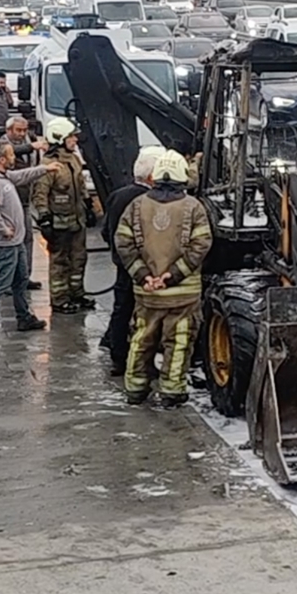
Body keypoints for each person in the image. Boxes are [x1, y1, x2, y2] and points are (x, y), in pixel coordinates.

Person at [113, 150, 213, 407]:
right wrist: (172, 276)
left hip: (147, 293)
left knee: (141, 338)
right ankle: (172, 391)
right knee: (178, 342)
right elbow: (201, 245)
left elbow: (122, 242)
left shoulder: (136, 206)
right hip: (183, 295)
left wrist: (144, 276)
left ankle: (135, 388)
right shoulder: (194, 208)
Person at [0, 139, 59, 340]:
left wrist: (44, 169)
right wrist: (2, 229)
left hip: (16, 241)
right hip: (5, 242)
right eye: (11, 155)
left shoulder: (4, 175)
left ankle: (24, 316)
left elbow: (21, 176)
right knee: (1, 282)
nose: (14, 158)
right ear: (1, 159)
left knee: (21, 279)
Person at [101, 145, 165, 377]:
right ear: (152, 175)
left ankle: (118, 357)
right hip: (145, 266)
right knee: (146, 314)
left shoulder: (118, 195)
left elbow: (106, 230)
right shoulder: (150, 200)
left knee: (121, 308)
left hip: (123, 263)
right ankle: (144, 363)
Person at [32, 118, 95, 314]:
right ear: (60, 138)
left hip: (77, 220)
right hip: (58, 223)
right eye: (71, 136)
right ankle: (59, 299)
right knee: (60, 262)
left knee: (79, 258)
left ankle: (76, 293)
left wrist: (88, 205)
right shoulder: (49, 165)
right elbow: (40, 194)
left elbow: (81, 185)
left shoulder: (73, 160)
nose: (75, 140)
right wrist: (44, 219)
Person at [5, 116, 49, 290]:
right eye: (18, 130)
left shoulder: (29, 141)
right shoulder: (4, 146)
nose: (22, 134)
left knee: (28, 238)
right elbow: (13, 151)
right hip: (10, 201)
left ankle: (24, 276)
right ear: (8, 130)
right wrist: (32, 146)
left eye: (24, 130)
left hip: (25, 199)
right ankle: (9, 280)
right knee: (13, 241)